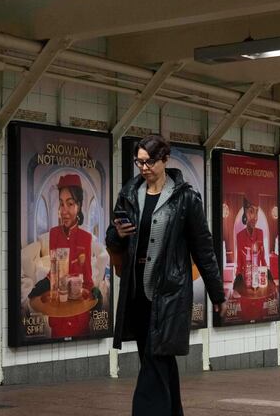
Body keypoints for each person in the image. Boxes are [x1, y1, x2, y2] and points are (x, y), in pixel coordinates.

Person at [106, 135, 226, 416]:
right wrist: (118, 233)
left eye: (149, 161)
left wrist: (216, 292)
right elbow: (112, 236)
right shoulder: (130, 192)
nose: (143, 167)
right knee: (159, 360)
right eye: (139, 161)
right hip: (137, 293)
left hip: (169, 295)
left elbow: (203, 248)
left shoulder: (185, 198)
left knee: (154, 361)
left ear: (164, 160)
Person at [46, 174, 95, 338]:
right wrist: (42, 284)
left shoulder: (86, 238)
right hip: (58, 317)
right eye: (61, 204)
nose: (64, 211)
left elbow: (88, 280)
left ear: (79, 206)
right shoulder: (53, 234)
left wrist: (93, 293)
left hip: (78, 318)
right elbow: (53, 273)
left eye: (70, 204)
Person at [236, 195, 267, 270]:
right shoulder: (240, 235)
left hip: (258, 276)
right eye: (251, 211)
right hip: (245, 277)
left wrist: (267, 275)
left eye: (257, 212)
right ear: (245, 212)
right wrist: (238, 278)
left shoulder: (260, 233)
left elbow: (263, 259)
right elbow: (239, 263)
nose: (255, 217)